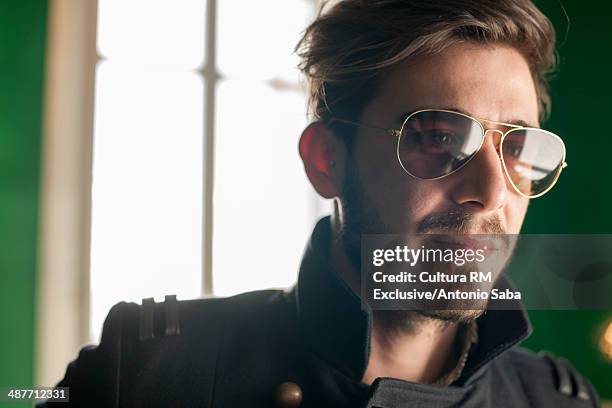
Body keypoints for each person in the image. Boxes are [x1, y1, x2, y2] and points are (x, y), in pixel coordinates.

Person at [41, 0, 601, 407]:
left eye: (519, 147)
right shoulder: (145, 376)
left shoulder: (556, 400)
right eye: (438, 137)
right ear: (326, 161)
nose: (494, 191)